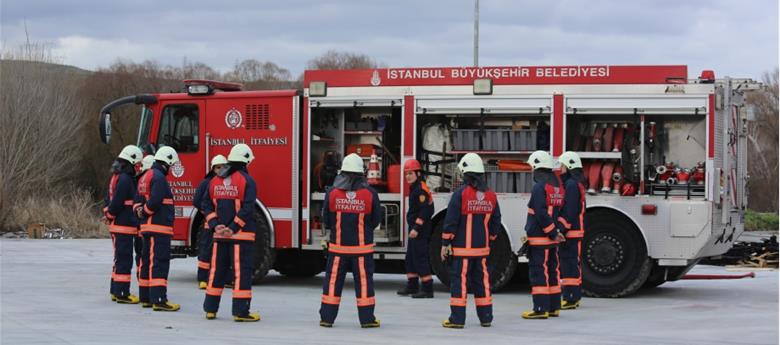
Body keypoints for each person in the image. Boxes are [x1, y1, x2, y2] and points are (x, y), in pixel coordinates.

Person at [319, 153, 383, 328]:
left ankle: (327, 318)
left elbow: (327, 219)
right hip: (362, 251)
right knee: (364, 285)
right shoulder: (370, 194)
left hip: (338, 249)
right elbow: (376, 220)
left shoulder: (332, 193)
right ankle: (367, 320)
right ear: (361, 174)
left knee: (332, 283)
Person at [441, 153, 501, 329]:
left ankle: (457, 320)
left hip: (462, 252)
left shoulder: (460, 194)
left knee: (459, 284)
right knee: (482, 283)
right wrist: (490, 238)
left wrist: (445, 243)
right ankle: (486, 317)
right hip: (482, 251)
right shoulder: (491, 195)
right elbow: (496, 220)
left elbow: (451, 221)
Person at [201, 144, 260, 322]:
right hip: (240, 238)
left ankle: (210, 310)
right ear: (246, 161)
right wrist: (232, 228)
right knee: (241, 273)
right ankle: (241, 312)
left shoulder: (215, 180)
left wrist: (215, 225)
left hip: (219, 237)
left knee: (216, 272)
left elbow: (206, 205)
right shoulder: (247, 181)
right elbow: (248, 209)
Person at [522, 150, 566, 319]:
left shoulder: (539, 187)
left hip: (540, 237)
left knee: (538, 272)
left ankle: (540, 308)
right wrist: (555, 232)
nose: (531, 170)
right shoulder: (557, 187)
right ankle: (554, 307)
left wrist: (552, 232)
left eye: (532, 166)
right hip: (551, 239)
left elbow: (540, 213)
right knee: (553, 271)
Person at [135, 146, 180, 311]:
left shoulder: (145, 176)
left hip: (147, 227)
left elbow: (137, 201)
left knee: (147, 261)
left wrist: (140, 213)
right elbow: (155, 201)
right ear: (167, 161)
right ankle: (159, 299)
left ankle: (146, 297)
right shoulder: (159, 178)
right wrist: (146, 211)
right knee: (159, 262)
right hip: (159, 227)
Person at [104, 145, 144, 304]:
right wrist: (111, 214)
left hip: (118, 225)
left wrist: (108, 214)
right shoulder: (126, 179)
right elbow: (118, 202)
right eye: (137, 165)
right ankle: (122, 293)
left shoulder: (116, 177)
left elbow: (109, 200)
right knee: (124, 259)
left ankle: (115, 290)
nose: (138, 168)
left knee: (119, 258)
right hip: (124, 225)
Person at [397, 158, 435, 298]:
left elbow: (426, 211)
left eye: (410, 173)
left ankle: (427, 289)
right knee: (411, 258)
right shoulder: (415, 188)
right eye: (406, 174)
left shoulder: (420, 190)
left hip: (420, 230)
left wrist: (417, 228)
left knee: (420, 257)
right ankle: (412, 286)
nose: (407, 176)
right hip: (415, 229)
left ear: (418, 174)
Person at [193, 154, 228, 289]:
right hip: (209, 224)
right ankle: (202, 278)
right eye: (217, 167)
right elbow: (197, 201)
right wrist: (208, 214)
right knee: (206, 251)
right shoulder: (206, 182)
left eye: (223, 167)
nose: (220, 170)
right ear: (213, 168)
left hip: (223, 225)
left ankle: (221, 278)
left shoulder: (228, 182)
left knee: (222, 253)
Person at [557, 152, 586, 309]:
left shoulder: (571, 185)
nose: (560, 168)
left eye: (562, 165)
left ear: (568, 166)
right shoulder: (575, 183)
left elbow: (570, 210)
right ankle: (573, 296)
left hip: (571, 232)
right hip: (574, 231)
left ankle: (570, 297)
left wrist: (561, 228)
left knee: (569, 264)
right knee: (572, 264)